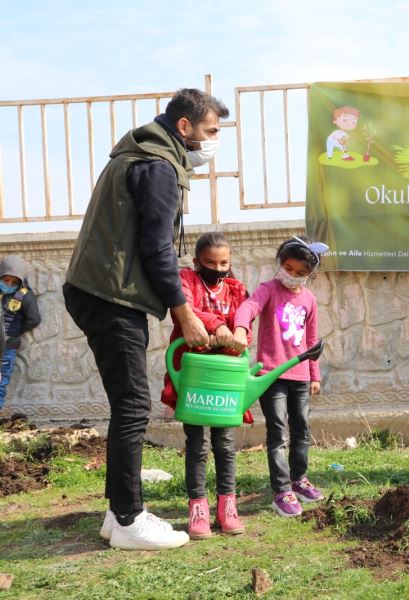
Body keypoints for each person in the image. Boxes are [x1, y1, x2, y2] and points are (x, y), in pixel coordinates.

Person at [64, 88, 229, 550]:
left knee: (128, 402)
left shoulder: (141, 154)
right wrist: (186, 312)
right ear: (184, 127)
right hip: (110, 296)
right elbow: (156, 249)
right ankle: (129, 518)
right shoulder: (158, 167)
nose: (214, 142)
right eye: (211, 132)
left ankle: (117, 516)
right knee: (135, 404)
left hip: (102, 291)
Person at [160, 232, 250, 540]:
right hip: (195, 375)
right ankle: (197, 507)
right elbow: (184, 307)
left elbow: (245, 322)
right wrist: (217, 325)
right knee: (196, 444)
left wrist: (238, 332)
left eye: (224, 262)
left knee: (225, 443)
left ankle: (228, 505)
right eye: (210, 262)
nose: (218, 268)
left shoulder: (236, 290)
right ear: (197, 262)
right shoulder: (186, 279)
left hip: (224, 379)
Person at [233, 236, 327, 518]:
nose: (293, 276)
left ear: (310, 275)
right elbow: (249, 307)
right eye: (288, 268)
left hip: (299, 375)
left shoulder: (309, 299)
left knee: (301, 429)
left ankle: (299, 479)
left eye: (301, 273)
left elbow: (311, 340)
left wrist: (314, 375)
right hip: (270, 375)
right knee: (278, 433)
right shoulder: (268, 290)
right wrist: (240, 326)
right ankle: (282, 491)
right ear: (280, 263)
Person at [0, 255, 41, 410]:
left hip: (6, 347)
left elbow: (34, 319)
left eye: (14, 282)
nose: (9, 284)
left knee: (0, 383)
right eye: (6, 280)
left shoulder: (25, 296)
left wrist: (15, 331)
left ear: (21, 281)